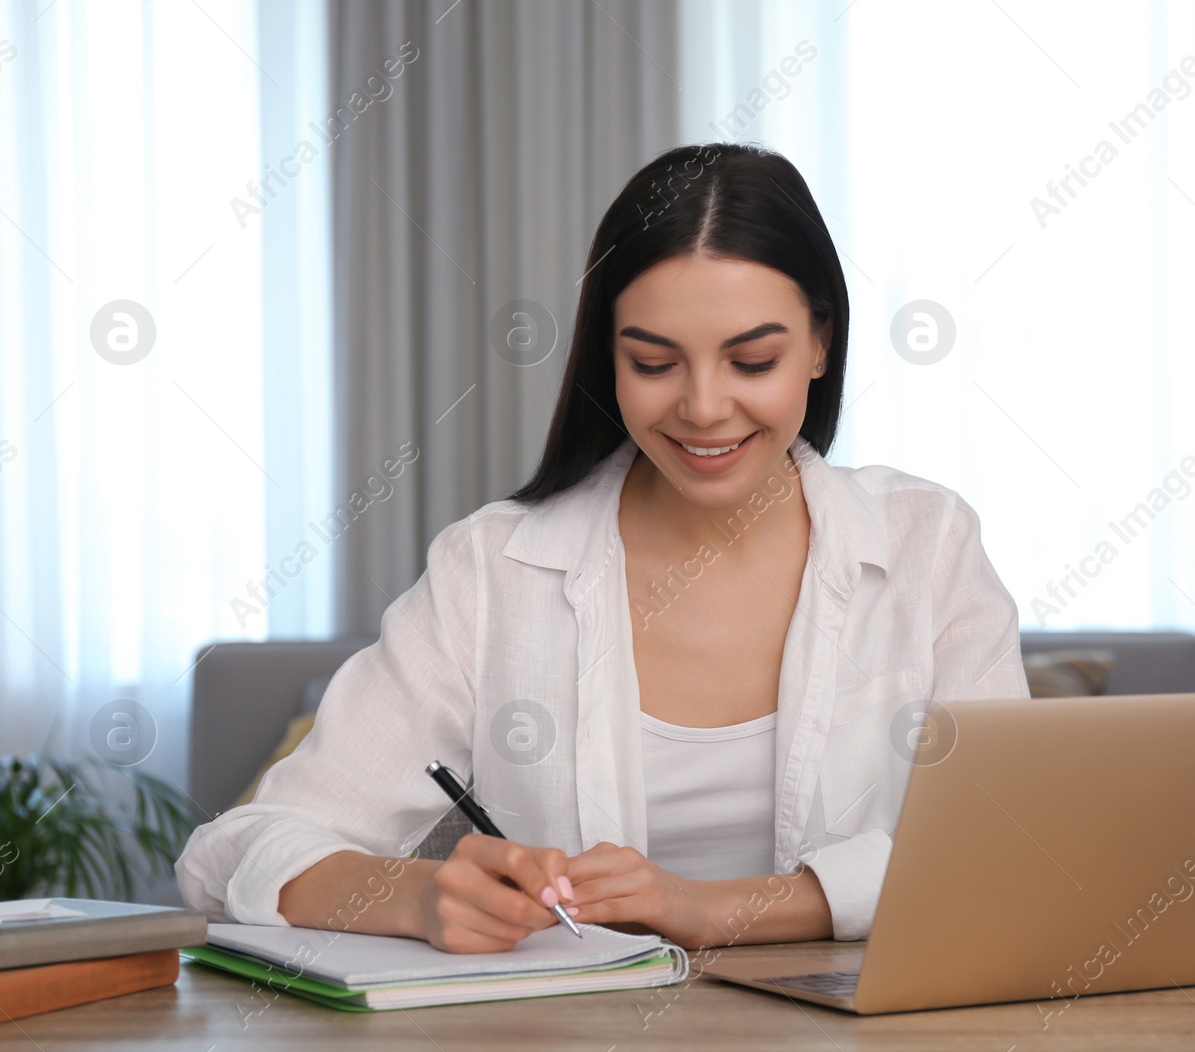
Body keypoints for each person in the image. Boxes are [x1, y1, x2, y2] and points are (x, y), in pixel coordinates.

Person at [175, 142, 1028, 954]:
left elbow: (1008, 849)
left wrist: (705, 905)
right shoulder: (491, 570)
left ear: (819, 345)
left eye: (752, 360)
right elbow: (234, 851)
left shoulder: (928, 543)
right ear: (606, 361)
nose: (702, 407)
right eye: (655, 363)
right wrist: (415, 894)